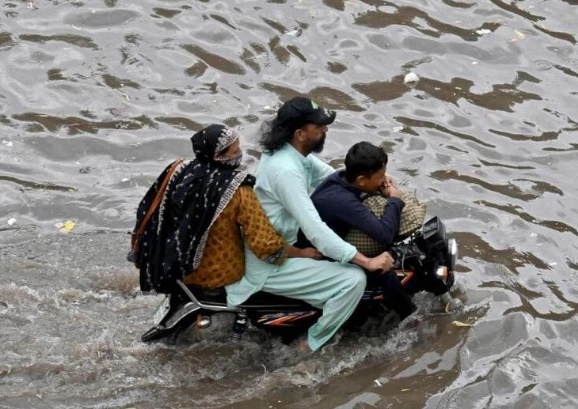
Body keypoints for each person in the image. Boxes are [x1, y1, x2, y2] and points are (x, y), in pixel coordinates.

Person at [225, 96, 395, 352]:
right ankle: (310, 343)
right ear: (301, 133)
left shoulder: (289, 152)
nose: (325, 130)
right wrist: (366, 261)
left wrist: (374, 182)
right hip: (269, 264)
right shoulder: (286, 171)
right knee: (353, 280)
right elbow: (315, 229)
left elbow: (330, 176)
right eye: (320, 127)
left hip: (285, 242)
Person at [159, 124, 312, 292]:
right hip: (218, 274)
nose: (240, 155)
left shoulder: (179, 171)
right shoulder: (237, 190)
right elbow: (265, 245)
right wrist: (301, 253)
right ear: (217, 155)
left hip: (175, 267)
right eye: (235, 151)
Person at [304, 141, 424, 321]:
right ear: (361, 180)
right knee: (384, 272)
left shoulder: (340, 178)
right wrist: (394, 199)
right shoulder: (343, 202)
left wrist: (382, 179)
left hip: (326, 240)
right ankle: (411, 321)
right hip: (319, 256)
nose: (384, 180)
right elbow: (385, 234)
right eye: (380, 176)